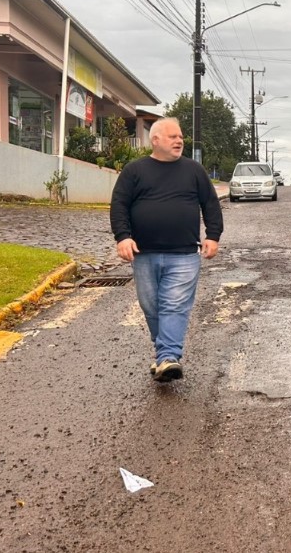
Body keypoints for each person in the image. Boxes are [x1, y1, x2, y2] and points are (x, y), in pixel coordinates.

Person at [109, 117, 223, 382]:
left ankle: (169, 356)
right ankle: (163, 355)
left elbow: (211, 204)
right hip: (144, 254)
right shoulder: (134, 170)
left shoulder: (194, 170)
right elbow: (119, 205)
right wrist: (123, 237)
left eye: (181, 136)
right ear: (156, 140)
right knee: (152, 308)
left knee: (174, 305)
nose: (180, 140)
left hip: (184, 254)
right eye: (173, 136)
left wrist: (213, 235)